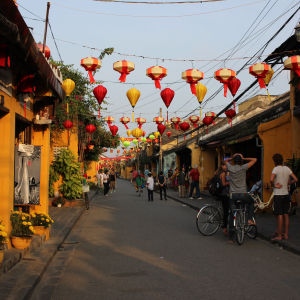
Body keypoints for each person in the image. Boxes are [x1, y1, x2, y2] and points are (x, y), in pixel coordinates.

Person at [225, 153, 257, 243]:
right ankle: (250, 219)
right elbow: (254, 159)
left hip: (233, 195)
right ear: (241, 161)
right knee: (251, 201)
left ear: (234, 161)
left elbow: (225, 161)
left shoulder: (230, 168)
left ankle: (231, 238)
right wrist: (243, 158)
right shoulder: (243, 167)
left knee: (232, 214)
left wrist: (233, 157)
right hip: (243, 194)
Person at [270, 153, 298, 241]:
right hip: (286, 194)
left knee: (280, 214)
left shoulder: (276, 169)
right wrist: (287, 183)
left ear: (274, 161)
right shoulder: (287, 168)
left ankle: (279, 235)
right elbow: (296, 179)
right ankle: (286, 234)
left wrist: (274, 185)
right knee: (286, 215)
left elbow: (271, 179)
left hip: (279, 194)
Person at [215, 162, 230, 237]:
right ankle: (225, 229)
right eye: (225, 165)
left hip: (221, 194)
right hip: (224, 194)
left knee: (225, 211)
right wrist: (231, 182)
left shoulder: (218, 172)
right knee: (226, 211)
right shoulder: (223, 173)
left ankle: (224, 222)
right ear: (222, 166)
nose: (226, 167)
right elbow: (224, 184)